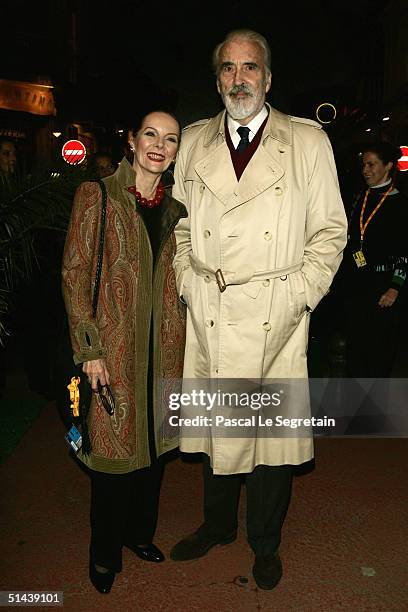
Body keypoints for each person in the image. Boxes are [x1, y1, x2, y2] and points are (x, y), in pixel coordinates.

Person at [170, 29, 347, 590]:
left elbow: (330, 232)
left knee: (269, 439)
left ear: (268, 78)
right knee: (222, 426)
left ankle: (264, 541)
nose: (239, 78)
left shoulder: (307, 142)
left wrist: (299, 295)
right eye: (228, 68)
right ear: (217, 78)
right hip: (212, 308)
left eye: (250, 67)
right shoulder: (195, 141)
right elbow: (178, 226)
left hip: (277, 309)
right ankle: (218, 525)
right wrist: (185, 282)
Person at [62, 111, 187, 594]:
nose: (160, 145)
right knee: (113, 460)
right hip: (113, 353)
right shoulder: (98, 195)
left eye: (170, 138)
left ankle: (139, 535)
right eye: (150, 134)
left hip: (167, 351)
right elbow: (75, 273)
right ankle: (103, 554)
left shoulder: (179, 210)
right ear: (132, 141)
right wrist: (89, 348)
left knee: (154, 452)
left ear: (177, 150)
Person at [342, 141, 408, 377]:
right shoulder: (359, 196)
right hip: (358, 285)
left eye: (371, 164)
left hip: (385, 291)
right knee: (355, 352)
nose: (365, 170)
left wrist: (394, 288)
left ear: (388, 165)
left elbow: (405, 253)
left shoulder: (401, 203)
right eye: (363, 165)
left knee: (379, 354)